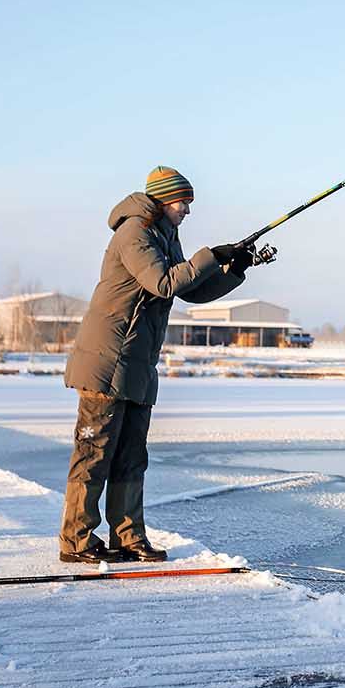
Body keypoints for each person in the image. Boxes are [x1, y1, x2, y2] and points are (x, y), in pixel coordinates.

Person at [59, 166, 257, 564]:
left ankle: (128, 537)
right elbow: (162, 282)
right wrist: (209, 256)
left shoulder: (166, 234)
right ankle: (76, 541)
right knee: (95, 453)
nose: (187, 210)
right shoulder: (134, 231)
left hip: (137, 363)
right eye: (183, 202)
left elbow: (190, 291)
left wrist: (233, 270)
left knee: (132, 455)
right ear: (165, 199)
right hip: (106, 361)